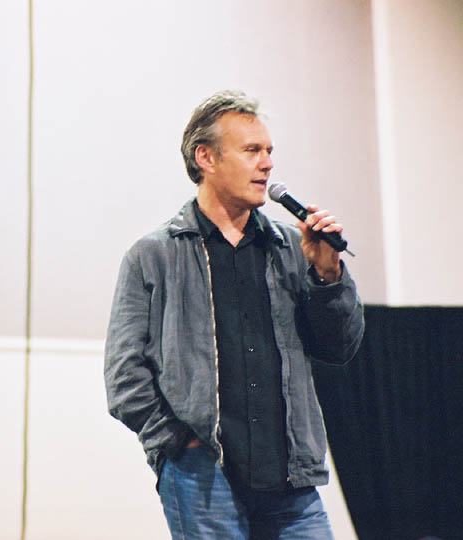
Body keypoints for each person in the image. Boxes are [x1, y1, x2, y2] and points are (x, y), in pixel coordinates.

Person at [103, 90, 364, 540]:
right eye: (251, 151)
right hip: (204, 476)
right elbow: (124, 374)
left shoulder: (292, 248)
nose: (267, 164)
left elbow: (340, 347)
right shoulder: (155, 255)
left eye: (269, 152)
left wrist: (327, 274)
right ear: (206, 158)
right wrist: (178, 443)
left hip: (290, 478)